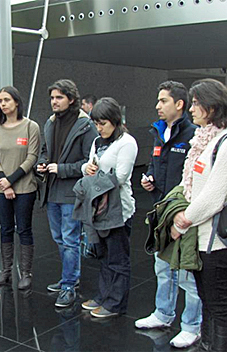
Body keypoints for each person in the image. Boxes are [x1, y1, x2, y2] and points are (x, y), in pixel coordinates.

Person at [171, 79, 227, 352]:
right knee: (206, 299)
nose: (191, 109)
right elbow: (190, 183)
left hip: (216, 241)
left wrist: (183, 220)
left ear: (212, 107)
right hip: (199, 238)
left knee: (219, 304)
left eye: (196, 103)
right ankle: (208, 345)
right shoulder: (203, 139)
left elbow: (214, 196)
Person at [135, 81, 201, 348]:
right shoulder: (159, 132)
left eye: (163, 101)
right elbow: (155, 162)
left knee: (187, 273)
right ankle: (163, 313)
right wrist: (148, 178)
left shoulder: (194, 135)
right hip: (161, 210)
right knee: (162, 267)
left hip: (185, 213)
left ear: (179, 104)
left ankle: (192, 326)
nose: (157, 106)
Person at [37, 79, 98, 307]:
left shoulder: (85, 125)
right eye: (52, 97)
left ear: (71, 99)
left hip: (72, 191)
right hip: (52, 189)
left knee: (70, 239)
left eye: (59, 97)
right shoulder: (51, 123)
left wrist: (61, 169)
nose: (54, 102)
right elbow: (45, 151)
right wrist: (42, 163)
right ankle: (69, 278)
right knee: (59, 238)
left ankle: (69, 286)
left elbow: (90, 162)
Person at [80, 97, 138, 318]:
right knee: (103, 256)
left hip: (118, 209)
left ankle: (116, 303)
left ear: (115, 121)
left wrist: (97, 175)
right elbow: (88, 164)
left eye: (103, 123)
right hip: (99, 208)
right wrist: (89, 168)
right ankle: (103, 296)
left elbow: (120, 177)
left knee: (118, 258)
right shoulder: (98, 141)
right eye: (96, 123)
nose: (99, 128)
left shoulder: (127, 142)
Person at [0, 86, 40, 290]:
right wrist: (3, 181)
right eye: (0, 101)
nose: (3, 104)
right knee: (6, 228)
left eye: (7, 100)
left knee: (24, 229)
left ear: (16, 102)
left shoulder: (31, 127)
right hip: (0, 187)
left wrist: (11, 180)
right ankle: (6, 269)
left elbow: (32, 157)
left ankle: (26, 272)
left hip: (25, 187)